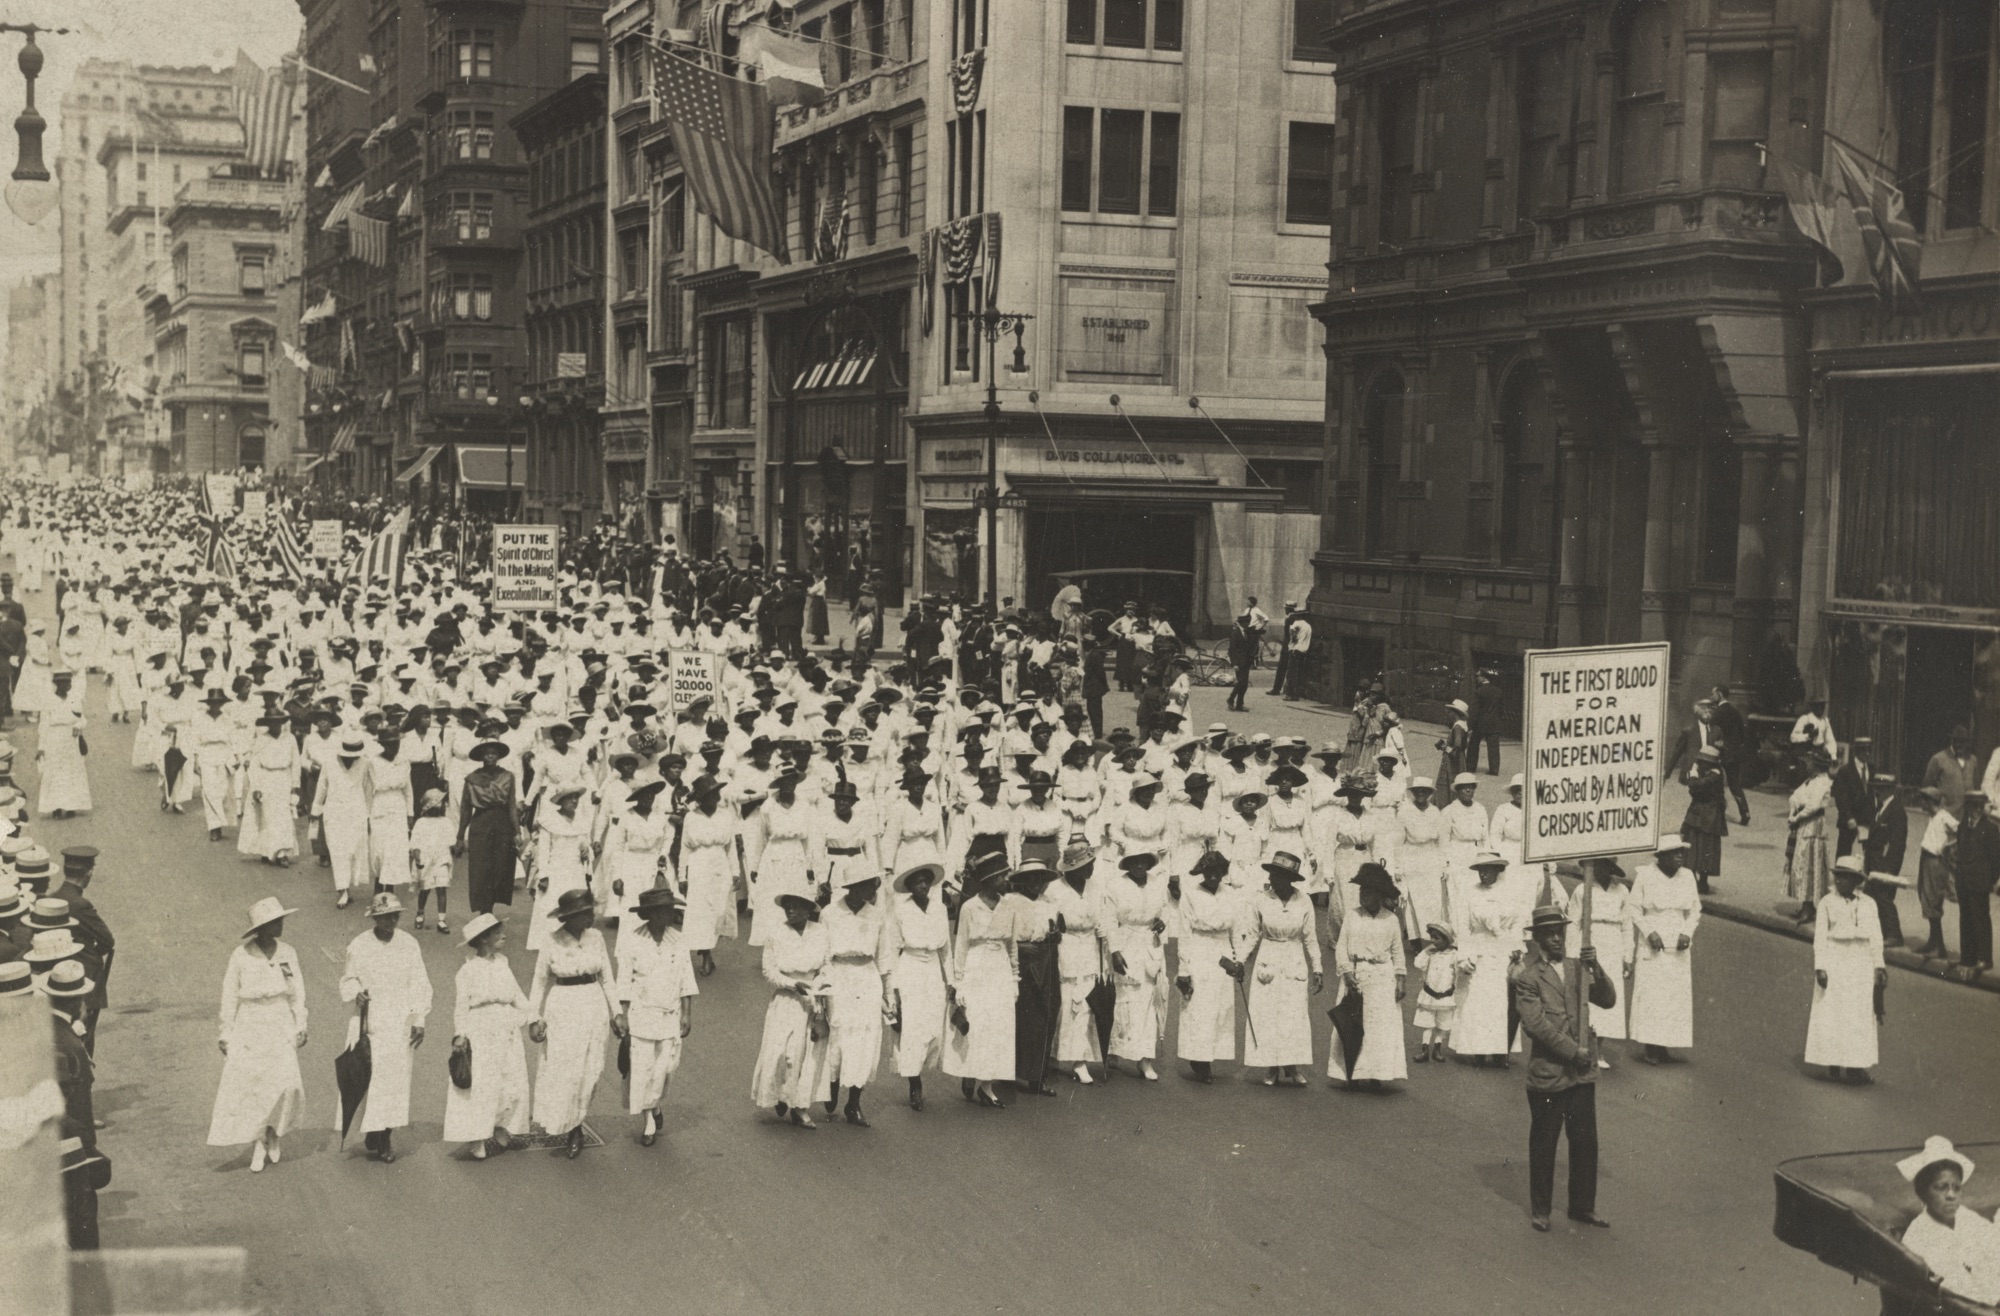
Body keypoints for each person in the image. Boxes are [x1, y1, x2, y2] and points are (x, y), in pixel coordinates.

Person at [1513, 903, 1616, 1233]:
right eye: (1549, 933)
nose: (1556, 938)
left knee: (1585, 1142)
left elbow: (1608, 999)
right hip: (1550, 1073)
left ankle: (1582, 1205)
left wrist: (1595, 966)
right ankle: (1541, 1209)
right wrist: (1575, 1052)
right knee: (1545, 1143)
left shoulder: (1576, 968)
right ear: (1538, 938)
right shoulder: (1529, 978)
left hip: (1581, 1075)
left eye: (1560, 932)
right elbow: (1537, 1026)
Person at [207, 897, 307, 1174]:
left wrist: (300, 1024)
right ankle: (260, 1142)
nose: (280, 926)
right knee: (254, 1086)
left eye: (280, 920)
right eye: (274, 922)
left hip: (280, 1020)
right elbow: (229, 995)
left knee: (286, 1084)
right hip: (250, 1022)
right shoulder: (241, 955)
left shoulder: (288, 952)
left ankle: (272, 1131)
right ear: (260, 929)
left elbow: (297, 990)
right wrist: (226, 1032)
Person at [528, 888, 624, 1158]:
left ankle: (577, 1118)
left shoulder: (596, 938)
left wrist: (617, 1011)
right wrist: (534, 1018)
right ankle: (574, 1128)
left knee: (592, 1070)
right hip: (563, 1007)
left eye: (591, 912)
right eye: (586, 914)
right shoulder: (551, 941)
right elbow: (538, 981)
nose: (591, 917)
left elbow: (607, 977)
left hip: (593, 1006)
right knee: (567, 1069)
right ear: (570, 917)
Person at [338, 892, 431, 1164]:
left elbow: (420, 983)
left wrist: (419, 1019)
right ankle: (375, 1129)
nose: (392, 921)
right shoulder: (359, 945)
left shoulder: (409, 944)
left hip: (400, 1021)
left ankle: (385, 1135)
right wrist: (356, 992)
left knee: (396, 1081)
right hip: (371, 1021)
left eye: (395, 915)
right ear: (375, 918)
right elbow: (348, 979)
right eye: (386, 916)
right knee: (372, 1079)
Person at [1226, 851, 1322, 1087]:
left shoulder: (1304, 901)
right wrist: (1240, 960)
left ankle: (1293, 1066)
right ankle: (1271, 1067)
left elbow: (1310, 938)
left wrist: (1318, 969)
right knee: (1267, 1014)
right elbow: (1252, 934)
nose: (1274, 879)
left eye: (1280, 875)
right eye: (1273, 874)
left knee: (1293, 1015)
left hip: (1294, 957)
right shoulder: (1260, 899)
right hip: (1268, 957)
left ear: (1290, 878)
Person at [444, 912, 535, 1160]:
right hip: (481, 1031)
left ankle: (504, 1130)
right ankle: (477, 1137)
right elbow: (461, 1007)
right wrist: (460, 1035)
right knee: (484, 1084)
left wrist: (535, 1018)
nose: (504, 935)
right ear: (484, 939)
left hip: (506, 1029)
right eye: (497, 933)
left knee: (511, 1080)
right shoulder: (467, 971)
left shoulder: (503, 963)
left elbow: (518, 996)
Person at [616, 887, 698, 1146]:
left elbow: (686, 977)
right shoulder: (632, 940)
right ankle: (649, 1119)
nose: (670, 915)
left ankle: (656, 1104)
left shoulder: (680, 939)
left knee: (666, 1069)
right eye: (664, 911)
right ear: (650, 914)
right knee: (643, 1069)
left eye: (671, 910)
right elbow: (624, 981)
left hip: (670, 1014)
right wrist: (623, 1016)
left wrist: (687, 1013)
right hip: (642, 1013)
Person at [750, 890, 831, 1128]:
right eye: (787, 907)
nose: (791, 910)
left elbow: (827, 964)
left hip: (813, 998)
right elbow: (769, 971)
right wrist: (792, 984)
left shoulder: (820, 932)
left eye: (796, 906)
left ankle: (800, 1107)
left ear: (808, 909)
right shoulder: (775, 933)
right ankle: (780, 1095)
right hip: (786, 999)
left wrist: (818, 985)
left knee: (806, 1054)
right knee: (781, 1053)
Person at [944, 852, 1018, 1107]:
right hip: (977, 968)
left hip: (1000, 969)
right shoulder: (969, 907)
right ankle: (970, 1070)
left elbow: (1012, 945)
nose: (1006, 880)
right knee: (978, 1024)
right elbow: (961, 947)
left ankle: (986, 1085)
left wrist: (1015, 978)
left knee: (998, 1026)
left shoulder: (1009, 906)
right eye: (1001, 876)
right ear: (988, 879)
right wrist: (959, 983)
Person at [1803, 856, 1885, 1083]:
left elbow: (1876, 937)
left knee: (1857, 1015)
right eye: (1837, 876)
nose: (1839, 881)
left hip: (1861, 962)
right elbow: (1820, 937)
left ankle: (1855, 1066)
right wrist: (1820, 967)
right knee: (1834, 1012)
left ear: (1856, 880)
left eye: (1845, 877)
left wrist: (1879, 965)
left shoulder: (1869, 904)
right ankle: (1833, 1061)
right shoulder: (1827, 903)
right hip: (1836, 960)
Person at [821, 871, 892, 1123]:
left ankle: (854, 1102)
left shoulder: (877, 914)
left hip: (867, 978)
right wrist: (824, 986)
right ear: (852, 886)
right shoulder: (830, 913)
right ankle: (830, 1084)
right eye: (865, 885)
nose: (871, 891)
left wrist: (888, 993)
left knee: (865, 1039)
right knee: (838, 1034)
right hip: (839, 977)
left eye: (872, 886)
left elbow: (884, 957)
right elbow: (824, 954)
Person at [1896, 1137, 2000, 1307]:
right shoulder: (1917, 1238)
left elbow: (1995, 1250)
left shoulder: (1967, 1218)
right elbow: (1951, 1294)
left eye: (1956, 1188)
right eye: (1941, 1187)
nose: (1951, 1195)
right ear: (1923, 1192)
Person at [1332, 862, 1407, 1091]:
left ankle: (1376, 1074)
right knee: (1355, 1024)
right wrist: (1346, 973)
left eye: (1369, 892)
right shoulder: (1352, 917)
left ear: (1379, 895)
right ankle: (1353, 1073)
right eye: (1361, 891)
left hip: (1383, 977)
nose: (1363, 895)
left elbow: (1397, 951)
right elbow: (1341, 947)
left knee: (1379, 1028)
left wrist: (1401, 978)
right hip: (1357, 974)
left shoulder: (1391, 920)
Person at [1627, 834, 1700, 1064]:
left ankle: (1664, 1043)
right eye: (1674, 853)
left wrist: (1687, 932)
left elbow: (1695, 910)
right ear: (1661, 857)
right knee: (1653, 994)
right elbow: (1634, 909)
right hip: (1654, 943)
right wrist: (1649, 932)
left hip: (1677, 942)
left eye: (1681, 852)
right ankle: (1651, 1045)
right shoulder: (1645, 876)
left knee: (1673, 995)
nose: (1680, 857)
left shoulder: (1687, 877)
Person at [885, 863, 952, 1110]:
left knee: (933, 1026)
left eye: (926, 881)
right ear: (910, 887)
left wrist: (951, 980)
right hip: (910, 967)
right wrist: (892, 988)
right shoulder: (900, 910)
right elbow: (893, 950)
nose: (923, 886)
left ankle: (920, 1068)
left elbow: (946, 950)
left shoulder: (940, 908)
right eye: (917, 882)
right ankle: (914, 1082)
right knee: (911, 1026)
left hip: (933, 968)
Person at [1174, 849, 1241, 1083]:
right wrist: (1184, 969)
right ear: (1203, 872)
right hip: (1199, 950)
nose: (1213, 876)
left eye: (1218, 871)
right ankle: (1200, 1060)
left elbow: (1237, 930)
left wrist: (1238, 959)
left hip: (1222, 950)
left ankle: (1209, 1055)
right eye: (1209, 871)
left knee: (1220, 1008)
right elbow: (1184, 933)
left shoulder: (1231, 894)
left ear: (1224, 872)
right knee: (1200, 1007)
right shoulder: (1190, 894)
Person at [453, 737, 519, 916]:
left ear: (498, 756)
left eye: (493, 753)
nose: (490, 756)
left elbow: (512, 805)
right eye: (487, 753)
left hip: (502, 822)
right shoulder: (472, 779)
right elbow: (466, 808)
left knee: (500, 866)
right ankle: (485, 910)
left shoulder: (507, 776)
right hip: (481, 822)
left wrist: (517, 832)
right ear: (481, 756)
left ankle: (491, 906)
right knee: (481, 868)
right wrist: (460, 836)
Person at [1787, 750, 1836, 924]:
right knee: (1801, 864)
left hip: (1814, 826)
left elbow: (1813, 806)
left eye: (1809, 762)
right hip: (1803, 826)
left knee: (1809, 866)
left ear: (1816, 764)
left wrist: (1796, 817)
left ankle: (1809, 908)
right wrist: (1793, 812)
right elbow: (1794, 797)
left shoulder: (1823, 783)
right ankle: (1807, 905)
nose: (1806, 765)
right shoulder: (1810, 781)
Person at [1862, 773, 1910, 947]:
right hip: (1873, 860)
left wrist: (1890, 867)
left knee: (1883, 897)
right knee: (1871, 896)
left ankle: (1895, 935)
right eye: (1876, 787)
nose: (1877, 791)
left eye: (1881, 788)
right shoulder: (1880, 807)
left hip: (1885, 862)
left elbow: (1898, 843)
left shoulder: (1896, 811)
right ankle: (1880, 931)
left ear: (1891, 790)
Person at [36, 670, 91, 819]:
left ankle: (71, 805)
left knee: (72, 772)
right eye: (64, 683)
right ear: (57, 684)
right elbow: (43, 725)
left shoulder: (74, 699)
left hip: (70, 740)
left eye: (69, 682)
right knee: (55, 773)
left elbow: (82, 718)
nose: (67, 685)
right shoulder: (48, 700)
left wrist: (78, 726)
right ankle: (56, 807)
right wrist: (41, 747)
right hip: (53, 740)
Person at [1954, 792, 1999, 972]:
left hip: (1980, 881)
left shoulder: (1990, 830)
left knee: (1980, 919)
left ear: (1980, 808)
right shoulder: (1963, 827)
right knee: (1965, 918)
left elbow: (1996, 859)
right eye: (1970, 807)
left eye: (1975, 807)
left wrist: (1994, 881)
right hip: (1964, 880)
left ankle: (1985, 958)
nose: (1972, 811)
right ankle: (1968, 957)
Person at [1679, 747, 1729, 895]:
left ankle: (1702, 881)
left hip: (1707, 817)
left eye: (1703, 762)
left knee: (1704, 847)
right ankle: (1695, 879)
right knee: (1697, 847)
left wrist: (1693, 775)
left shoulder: (1714, 776)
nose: (1700, 764)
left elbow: (1695, 787)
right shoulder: (1710, 775)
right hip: (1702, 815)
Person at [1410, 922, 1461, 1064]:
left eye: (1437, 938)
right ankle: (1424, 1049)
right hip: (1429, 994)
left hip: (1446, 995)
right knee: (1428, 1022)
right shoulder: (1430, 954)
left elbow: (1459, 972)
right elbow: (1418, 964)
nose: (1433, 941)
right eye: (1432, 937)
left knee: (1442, 1023)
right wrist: (1426, 950)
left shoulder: (1454, 955)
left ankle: (1437, 1048)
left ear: (1446, 939)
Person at [1914, 787, 1956, 958]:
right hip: (1926, 859)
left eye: (1923, 800)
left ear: (1931, 801)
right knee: (1926, 899)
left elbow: (1959, 833)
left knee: (1933, 901)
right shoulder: (1933, 817)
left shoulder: (1944, 817)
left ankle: (1940, 947)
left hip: (1935, 862)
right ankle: (1933, 941)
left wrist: (1947, 849)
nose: (1921, 803)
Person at [1923, 725, 1981, 818]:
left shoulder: (1973, 760)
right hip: (1945, 818)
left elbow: (1977, 788)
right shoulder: (1938, 759)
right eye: (1956, 741)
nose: (1959, 744)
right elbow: (1926, 791)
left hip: (1968, 819)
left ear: (1967, 742)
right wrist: (1936, 813)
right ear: (1951, 740)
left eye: (1963, 741)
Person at [1467, 669, 1503, 776]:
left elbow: (1475, 711)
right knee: (1494, 747)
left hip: (1480, 724)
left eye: (1478, 676)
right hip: (1494, 723)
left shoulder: (1479, 692)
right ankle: (1494, 769)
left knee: (1473, 744)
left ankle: (1471, 767)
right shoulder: (1498, 691)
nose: (1477, 678)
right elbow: (1501, 709)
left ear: (1484, 677)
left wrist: (1471, 726)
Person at [1225, 613, 1259, 713]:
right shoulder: (1236, 633)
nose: (1248, 624)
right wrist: (1234, 663)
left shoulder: (1245, 632)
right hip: (1239, 662)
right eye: (1246, 622)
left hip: (1246, 661)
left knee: (1244, 684)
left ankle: (1239, 704)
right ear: (1242, 623)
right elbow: (1232, 650)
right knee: (1241, 682)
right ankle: (1231, 699)